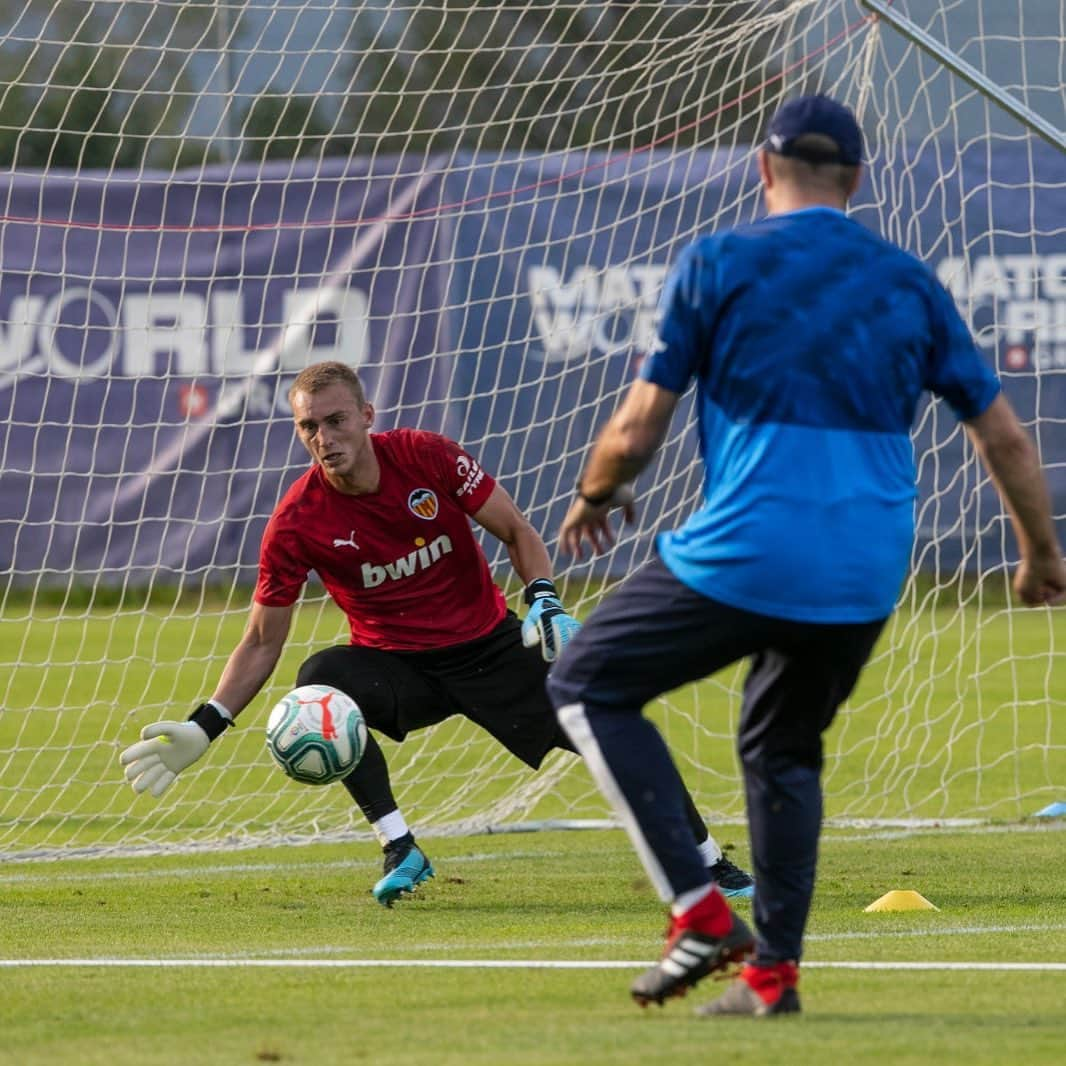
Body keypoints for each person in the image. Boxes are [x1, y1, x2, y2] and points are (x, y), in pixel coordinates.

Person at [546, 94, 1066, 1017]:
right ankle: (772, 977)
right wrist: (1038, 555)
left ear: (761, 169)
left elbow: (635, 431)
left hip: (747, 555)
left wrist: (595, 496)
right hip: (865, 575)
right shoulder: (908, 280)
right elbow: (1008, 440)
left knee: (586, 682)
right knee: (782, 752)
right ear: (857, 181)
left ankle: (700, 909)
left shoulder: (721, 262)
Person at [119, 360, 754, 906]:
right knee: (318, 686)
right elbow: (262, 639)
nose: (324, 437)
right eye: (309, 426)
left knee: (608, 722)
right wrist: (205, 724)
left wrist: (543, 600)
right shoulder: (296, 521)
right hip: (397, 669)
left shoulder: (426, 455)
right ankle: (399, 847)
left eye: (336, 420)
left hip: (490, 648)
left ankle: (706, 862)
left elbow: (519, 533)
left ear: (366, 415)